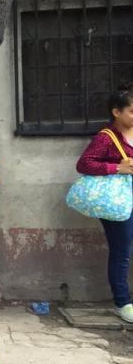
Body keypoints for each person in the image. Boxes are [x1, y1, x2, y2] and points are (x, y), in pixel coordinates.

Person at [76, 83, 133, 323]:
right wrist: (117, 168)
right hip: (117, 202)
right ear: (116, 112)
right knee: (121, 252)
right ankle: (123, 302)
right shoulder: (106, 137)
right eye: (131, 110)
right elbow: (84, 164)